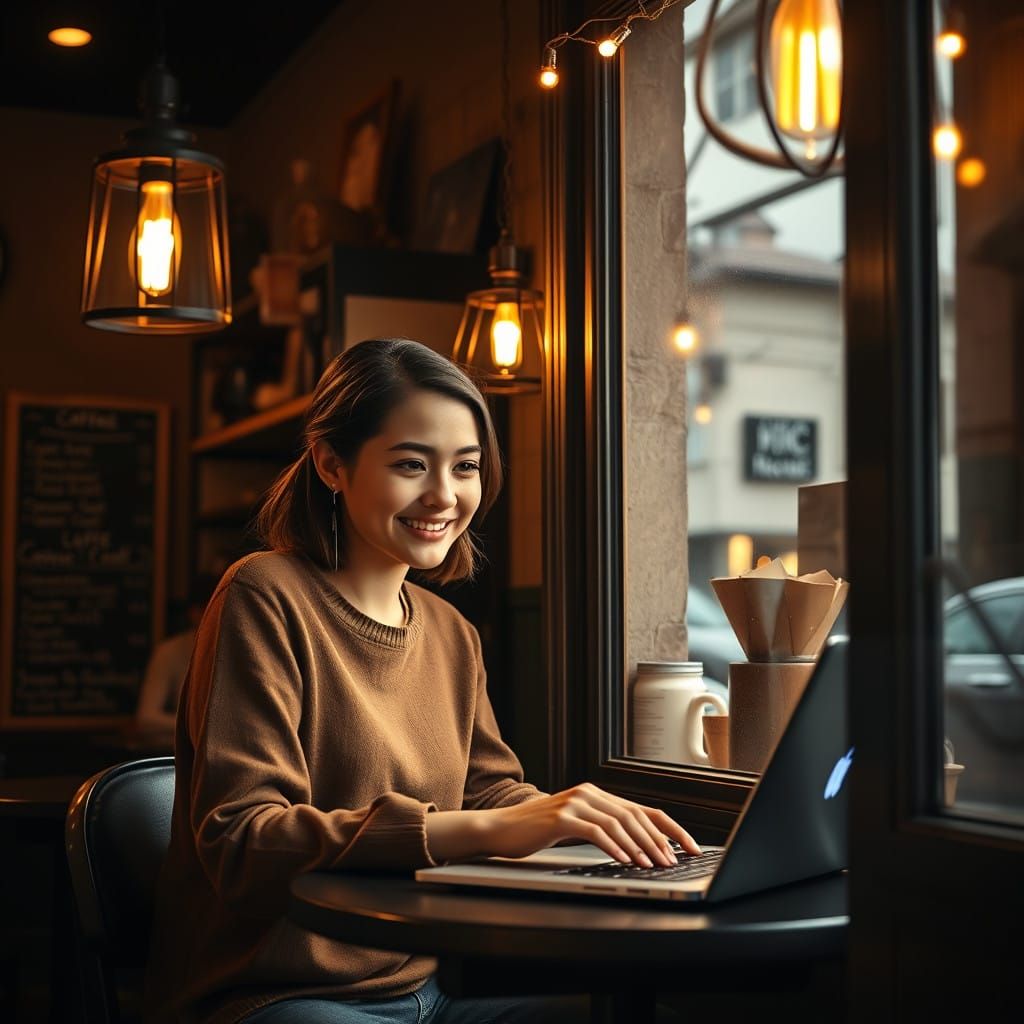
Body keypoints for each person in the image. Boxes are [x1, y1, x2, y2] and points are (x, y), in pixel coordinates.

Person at [144, 338, 699, 1024]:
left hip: (437, 986)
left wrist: (585, 822)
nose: (444, 495)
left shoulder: (449, 631)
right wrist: (491, 828)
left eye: (465, 467)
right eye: (411, 464)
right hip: (280, 993)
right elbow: (245, 840)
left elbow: (490, 791)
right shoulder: (262, 594)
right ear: (331, 465)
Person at [135, 576, 215, 733]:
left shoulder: (241, 651)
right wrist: (206, 729)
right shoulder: (170, 651)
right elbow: (146, 718)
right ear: (193, 613)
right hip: (179, 753)